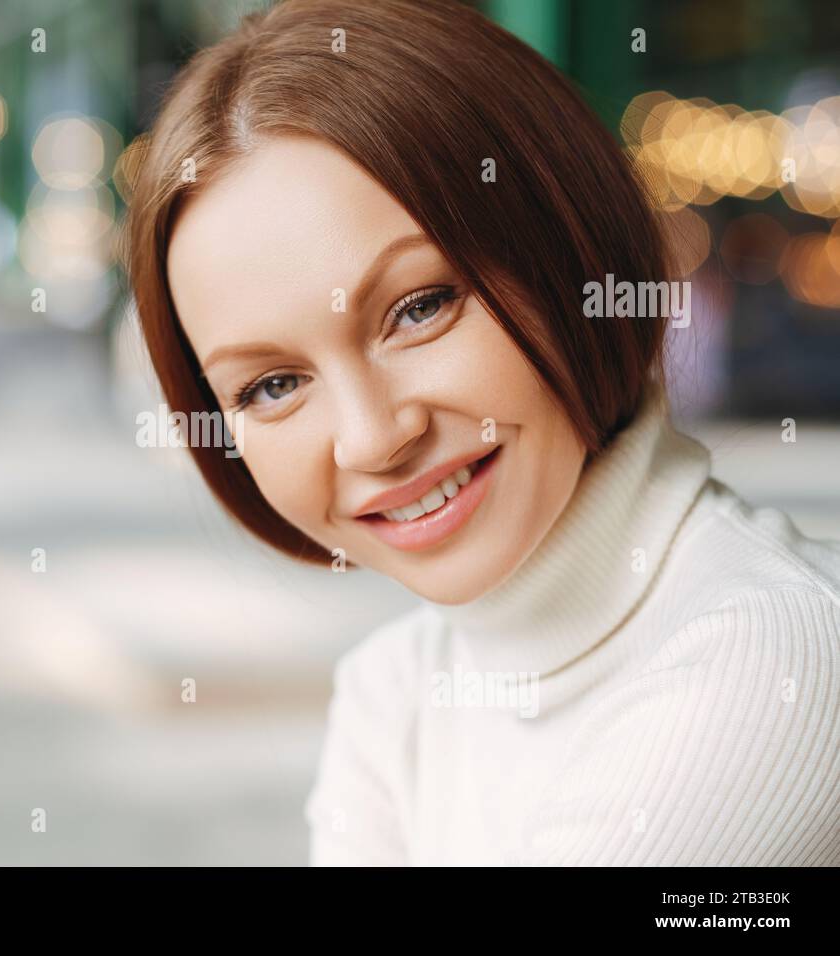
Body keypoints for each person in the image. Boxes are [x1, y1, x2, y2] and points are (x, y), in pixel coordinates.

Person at [120, 0, 840, 865]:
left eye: (419, 308)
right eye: (273, 385)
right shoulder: (392, 693)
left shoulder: (780, 657)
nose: (371, 439)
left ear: (570, 255)